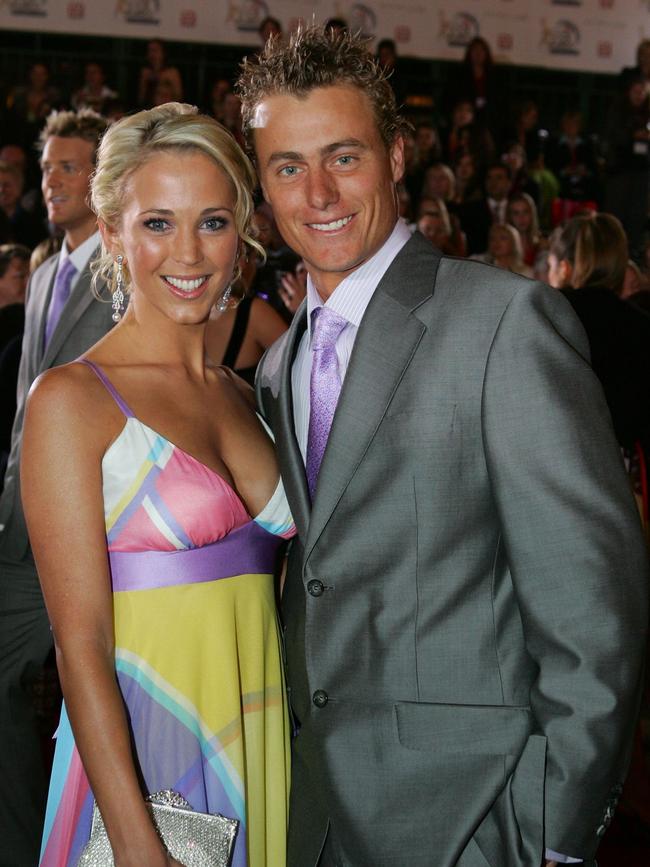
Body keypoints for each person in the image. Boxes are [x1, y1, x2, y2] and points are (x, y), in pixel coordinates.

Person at [236, 24, 649, 867]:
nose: (317, 192)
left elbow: (594, 609)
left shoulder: (504, 323)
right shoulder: (278, 365)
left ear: (396, 156)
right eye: (287, 166)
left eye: (343, 157)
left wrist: (547, 833)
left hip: (473, 821)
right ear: (262, 185)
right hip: (313, 816)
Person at [23, 102, 294, 867]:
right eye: (156, 223)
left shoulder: (249, 394)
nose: (190, 252)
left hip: (259, 734)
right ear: (111, 231)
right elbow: (81, 650)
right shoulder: (72, 401)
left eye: (212, 221)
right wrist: (142, 847)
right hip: (148, 763)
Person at [0, 107, 113, 865]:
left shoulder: (127, 268)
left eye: (69, 168)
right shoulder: (42, 273)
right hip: (19, 526)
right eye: (47, 170)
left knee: (99, 707)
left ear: (101, 179)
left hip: (94, 530)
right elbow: (21, 413)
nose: (52, 183)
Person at [546, 212, 650, 452]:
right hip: (620, 465)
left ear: (565, 267)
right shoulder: (640, 324)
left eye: (550, 265)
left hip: (559, 456)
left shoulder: (546, 316)